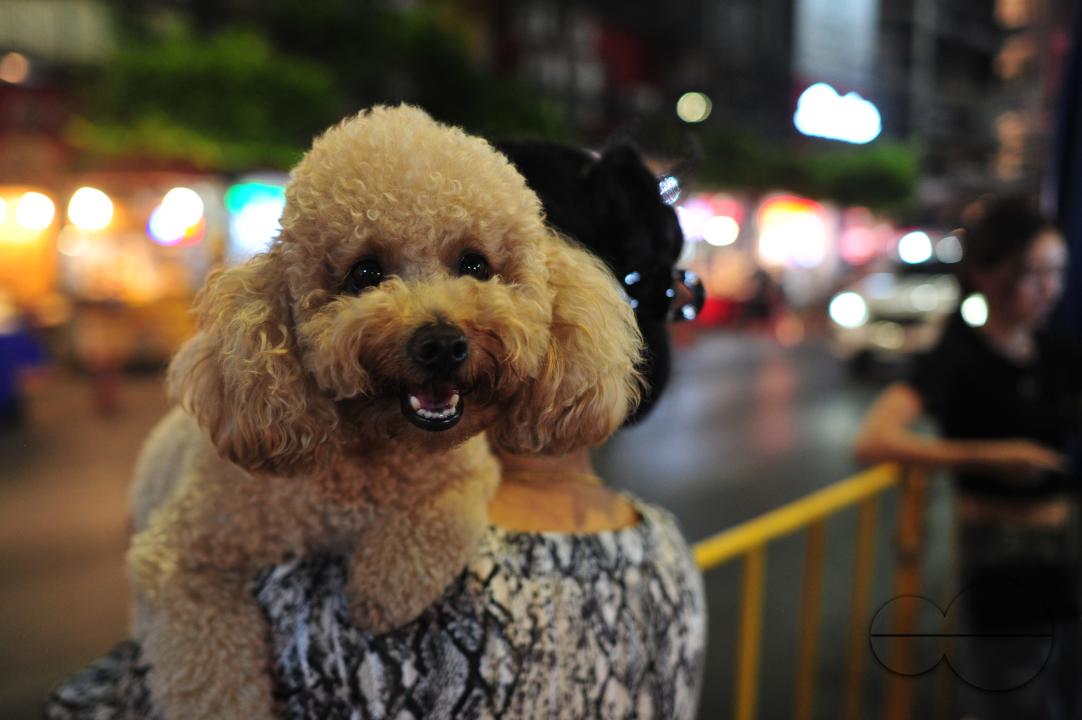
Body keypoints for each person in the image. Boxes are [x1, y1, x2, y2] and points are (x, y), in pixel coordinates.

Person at [46, 140, 707, 720]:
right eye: (368, 275)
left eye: (473, 265)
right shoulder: (670, 556)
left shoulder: (324, 601)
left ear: (550, 294)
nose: (439, 326)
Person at [854, 195, 1081, 719]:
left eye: (1057, 272)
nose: (1050, 288)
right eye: (1034, 273)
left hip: (1064, 545)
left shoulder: (1057, 353)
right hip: (1000, 553)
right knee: (1013, 697)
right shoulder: (959, 355)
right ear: (987, 273)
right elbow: (873, 439)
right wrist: (988, 456)